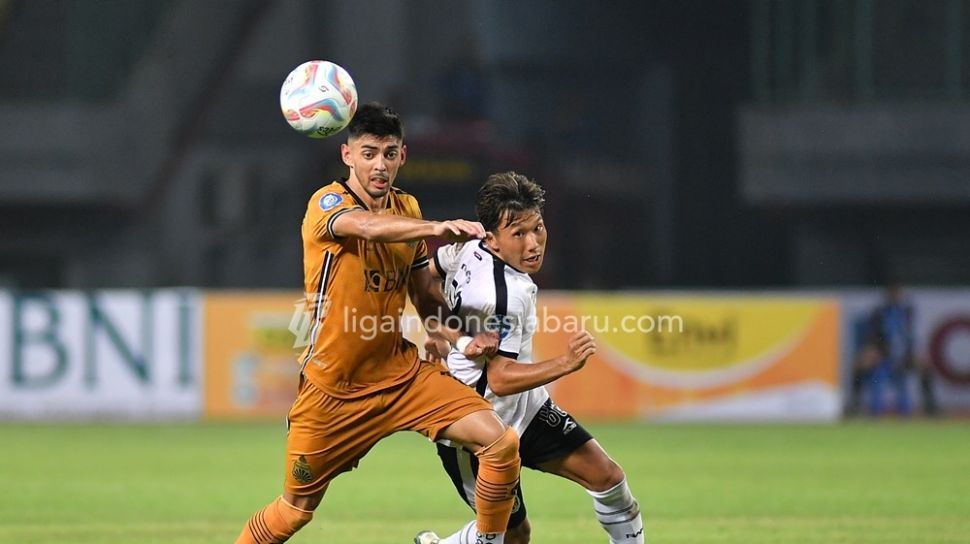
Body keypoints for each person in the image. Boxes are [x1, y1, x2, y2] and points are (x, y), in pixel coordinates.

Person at [235, 103, 521, 544]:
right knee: (293, 513)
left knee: (501, 444)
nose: (379, 164)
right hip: (334, 391)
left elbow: (424, 294)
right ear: (347, 155)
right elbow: (366, 227)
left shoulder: (408, 205)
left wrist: (458, 340)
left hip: (401, 376)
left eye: (389, 153)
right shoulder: (326, 203)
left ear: (403, 155)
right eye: (368, 153)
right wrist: (437, 228)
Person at [414, 172, 644, 544]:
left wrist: (444, 331)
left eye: (537, 228)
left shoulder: (468, 245)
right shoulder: (504, 296)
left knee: (608, 478)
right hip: (478, 425)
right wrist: (565, 363)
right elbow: (501, 378)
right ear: (493, 238)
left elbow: (426, 273)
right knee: (514, 536)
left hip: (526, 409)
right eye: (518, 235)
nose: (534, 243)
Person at [846, 282, 938, 417]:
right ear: (888, 296)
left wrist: (912, 352)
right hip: (882, 355)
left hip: (904, 356)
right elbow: (872, 338)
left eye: (899, 294)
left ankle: (930, 404)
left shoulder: (908, 312)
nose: (897, 297)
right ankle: (855, 403)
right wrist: (873, 351)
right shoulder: (878, 313)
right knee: (859, 364)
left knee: (925, 364)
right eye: (894, 294)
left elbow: (911, 336)